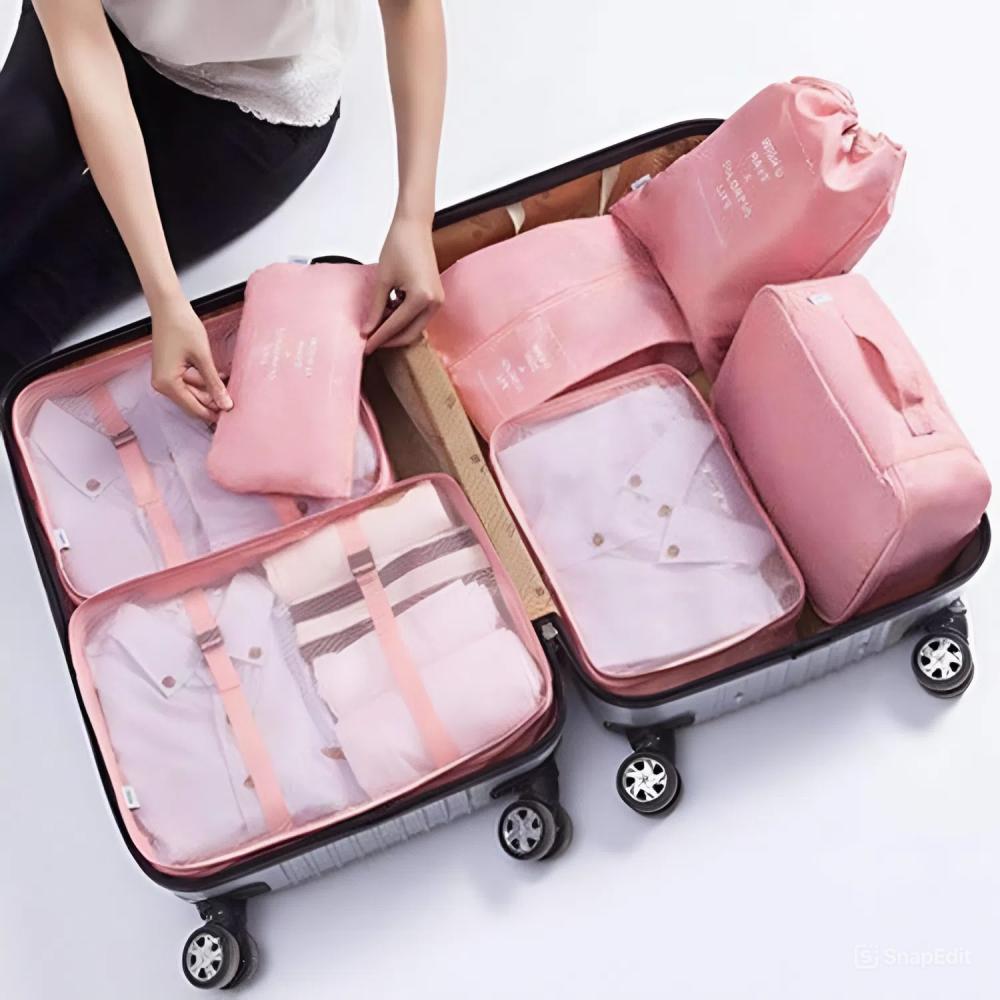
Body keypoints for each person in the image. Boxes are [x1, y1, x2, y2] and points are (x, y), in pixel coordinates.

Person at [0, 0, 446, 420]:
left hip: (247, 96)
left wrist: (414, 217)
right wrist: (164, 297)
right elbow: (85, 56)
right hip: (106, 22)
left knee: (41, 296)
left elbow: (408, 7)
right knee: (18, 146)